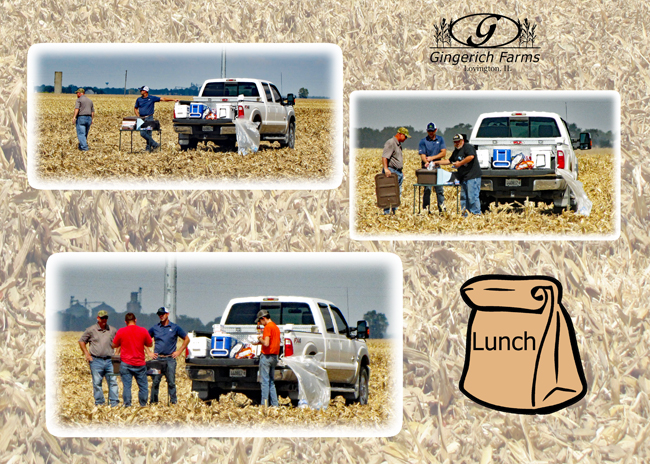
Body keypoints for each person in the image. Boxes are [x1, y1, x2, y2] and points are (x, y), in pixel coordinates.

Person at [148, 307, 190, 405]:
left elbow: (187, 339)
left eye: (163, 314)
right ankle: (153, 402)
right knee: (155, 382)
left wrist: (179, 352)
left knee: (171, 382)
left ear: (168, 314)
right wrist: (149, 352)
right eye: (159, 314)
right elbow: (144, 339)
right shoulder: (155, 328)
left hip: (170, 359)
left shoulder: (175, 327)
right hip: (158, 359)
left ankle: (173, 402)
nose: (161, 316)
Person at [111, 312, 153, 407]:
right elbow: (150, 344)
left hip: (126, 363)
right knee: (143, 387)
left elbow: (114, 345)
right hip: (140, 363)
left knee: (127, 386)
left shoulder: (121, 331)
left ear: (125, 322)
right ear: (135, 320)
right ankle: (143, 405)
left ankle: (127, 405)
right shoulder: (143, 330)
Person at [78, 310, 119, 407]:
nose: (104, 320)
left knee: (113, 382)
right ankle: (100, 404)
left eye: (105, 318)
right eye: (102, 318)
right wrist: (87, 354)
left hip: (110, 360)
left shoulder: (112, 330)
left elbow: (120, 341)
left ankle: (114, 404)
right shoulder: (91, 330)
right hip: (96, 360)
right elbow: (81, 341)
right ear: (98, 318)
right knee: (97, 383)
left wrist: (117, 353)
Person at [435, 134, 482, 216]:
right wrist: (436, 162)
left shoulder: (468, 147)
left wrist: (460, 163)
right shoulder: (456, 151)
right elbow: (449, 161)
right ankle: (465, 215)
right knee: (464, 198)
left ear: (462, 141)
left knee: (472, 197)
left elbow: (471, 156)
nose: (457, 143)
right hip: (463, 178)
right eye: (455, 142)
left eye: (458, 141)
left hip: (472, 176)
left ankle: (476, 214)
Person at [134, 86, 178, 152]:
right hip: (141, 118)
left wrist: (173, 100)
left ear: (145, 91)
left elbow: (163, 99)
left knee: (149, 133)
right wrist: (138, 116)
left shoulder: (152, 98)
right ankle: (155, 144)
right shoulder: (139, 99)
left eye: (142, 90)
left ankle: (148, 149)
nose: (140, 91)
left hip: (149, 118)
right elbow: (135, 108)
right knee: (142, 133)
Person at [418, 122, 447, 213]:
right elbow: (422, 154)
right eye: (429, 131)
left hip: (437, 167)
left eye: (432, 131)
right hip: (427, 169)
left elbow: (443, 153)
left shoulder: (440, 139)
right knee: (427, 189)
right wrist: (427, 162)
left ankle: (441, 209)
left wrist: (432, 159)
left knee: (439, 189)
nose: (430, 133)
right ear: (427, 131)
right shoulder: (423, 141)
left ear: (435, 130)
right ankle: (426, 209)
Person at [381, 127, 410, 214]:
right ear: (400, 134)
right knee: (389, 192)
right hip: (391, 171)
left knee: (397, 193)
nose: (406, 139)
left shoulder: (398, 144)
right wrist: (386, 169)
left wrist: (401, 170)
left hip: (398, 172)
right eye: (405, 136)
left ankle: (395, 211)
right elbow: (385, 157)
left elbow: (397, 159)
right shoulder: (391, 143)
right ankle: (386, 212)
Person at [255, 309, 281, 407]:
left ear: (264, 318)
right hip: (274, 356)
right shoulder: (276, 327)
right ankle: (275, 405)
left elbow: (266, 343)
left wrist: (259, 338)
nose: (260, 324)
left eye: (260, 321)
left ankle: (264, 405)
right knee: (271, 382)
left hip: (266, 356)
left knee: (264, 382)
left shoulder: (267, 327)